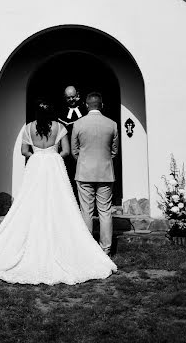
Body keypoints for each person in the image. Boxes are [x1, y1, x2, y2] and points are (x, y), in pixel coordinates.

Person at [0, 100, 116, 285]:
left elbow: (24, 151)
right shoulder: (59, 127)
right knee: (59, 202)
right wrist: (52, 157)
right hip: (54, 167)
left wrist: (37, 157)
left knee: (31, 201)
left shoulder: (29, 128)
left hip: (36, 166)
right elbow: (67, 151)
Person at [71, 92, 118, 256]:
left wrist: (84, 160)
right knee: (105, 211)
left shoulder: (78, 124)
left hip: (84, 172)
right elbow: (114, 151)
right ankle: (106, 249)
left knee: (86, 211)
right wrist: (104, 160)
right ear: (102, 105)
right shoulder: (112, 124)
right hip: (105, 172)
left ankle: (87, 249)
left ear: (86, 105)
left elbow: (74, 150)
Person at [57, 85, 87, 200]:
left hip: (83, 151)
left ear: (78, 95)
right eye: (68, 98)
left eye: (73, 97)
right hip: (67, 152)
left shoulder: (85, 110)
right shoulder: (61, 112)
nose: (71, 100)